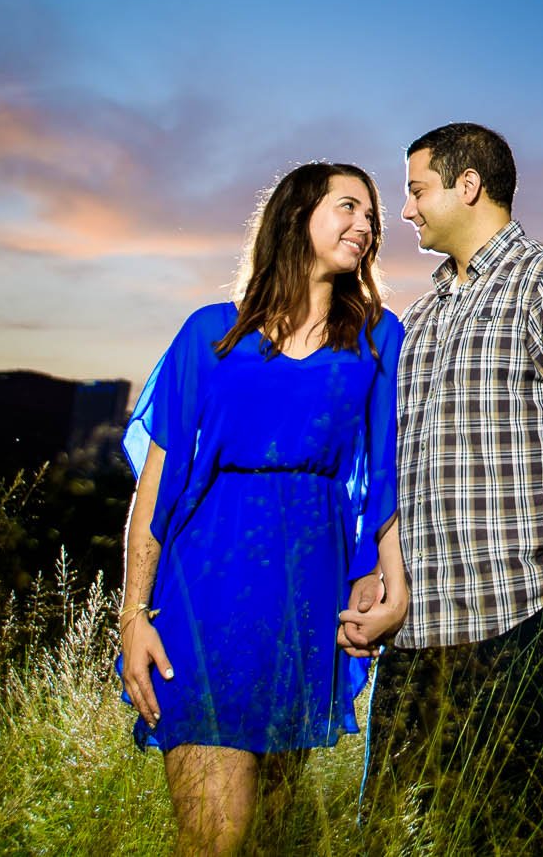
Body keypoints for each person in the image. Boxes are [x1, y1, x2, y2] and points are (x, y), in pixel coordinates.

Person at [340, 122, 543, 855]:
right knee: (389, 827)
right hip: (420, 630)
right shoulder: (427, 313)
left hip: (518, 616)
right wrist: (383, 578)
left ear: (466, 185)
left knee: (509, 830)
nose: (405, 210)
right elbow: (404, 463)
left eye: (416, 190)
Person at [118, 162, 407, 856]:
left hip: (306, 603)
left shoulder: (376, 338)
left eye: (373, 216)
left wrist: (391, 585)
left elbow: (389, 477)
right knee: (215, 835)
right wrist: (132, 614)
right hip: (205, 596)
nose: (365, 226)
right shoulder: (209, 335)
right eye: (348, 207)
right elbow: (153, 490)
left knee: (273, 832)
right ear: (296, 213)